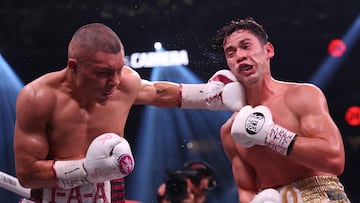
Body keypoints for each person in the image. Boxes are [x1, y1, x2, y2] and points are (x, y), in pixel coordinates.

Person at [13, 23, 244, 203]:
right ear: (74, 67)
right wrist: (87, 170)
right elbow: (27, 174)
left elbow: (157, 93)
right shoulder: (38, 98)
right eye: (103, 73)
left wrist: (209, 94)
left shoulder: (124, 83)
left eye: (118, 69)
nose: (114, 82)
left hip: (110, 196)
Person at [215, 17, 350, 202]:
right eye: (231, 53)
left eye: (246, 46)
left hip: (320, 195)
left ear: (268, 50)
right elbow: (246, 188)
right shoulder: (229, 131)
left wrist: (271, 135)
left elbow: (334, 160)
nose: (239, 56)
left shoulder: (302, 95)